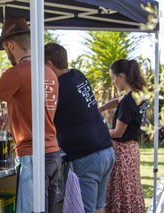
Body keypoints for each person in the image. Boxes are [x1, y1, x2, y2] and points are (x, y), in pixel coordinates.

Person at [0, 18, 61, 213]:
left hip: (32, 155)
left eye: (5, 49)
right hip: (52, 154)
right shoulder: (48, 72)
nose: (6, 53)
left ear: (10, 44)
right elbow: (36, 104)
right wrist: (10, 112)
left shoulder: (15, 73)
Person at [44, 43, 115, 213]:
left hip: (86, 156)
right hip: (105, 150)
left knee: (83, 209)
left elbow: (44, 116)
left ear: (49, 64)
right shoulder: (78, 75)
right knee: (98, 206)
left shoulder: (59, 86)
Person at [99, 59, 148, 213]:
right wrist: (99, 108)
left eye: (113, 78)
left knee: (120, 191)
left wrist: (96, 132)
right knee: (130, 190)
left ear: (121, 76)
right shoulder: (139, 95)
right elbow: (117, 101)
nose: (113, 82)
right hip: (132, 150)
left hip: (122, 153)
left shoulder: (128, 101)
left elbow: (118, 132)